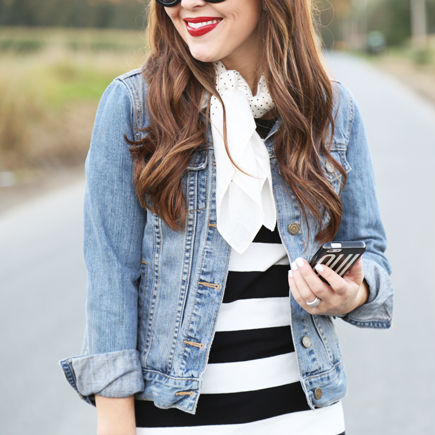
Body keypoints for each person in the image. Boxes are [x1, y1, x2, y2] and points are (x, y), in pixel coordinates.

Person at [59, 0, 393, 433]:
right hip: (176, 422)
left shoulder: (331, 109)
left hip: (308, 418)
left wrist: (353, 294)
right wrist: (115, 424)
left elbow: (372, 254)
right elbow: (110, 280)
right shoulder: (134, 105)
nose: (188, 4)